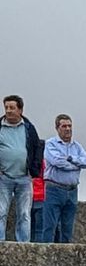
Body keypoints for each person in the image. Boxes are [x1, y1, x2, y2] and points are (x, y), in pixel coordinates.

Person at [0, 94, 45, 242]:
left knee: (24, 214)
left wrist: (34, 170)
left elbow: (37, 148)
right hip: (3, 177)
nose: (8, 111)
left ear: (20, 109)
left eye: (12, 108)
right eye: (6, 107)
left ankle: (23, 245)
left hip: (24, 178)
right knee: (1, 212)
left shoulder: (29, 128)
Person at [40, 114, 86, 243]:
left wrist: (72, 159)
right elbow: (58, 162)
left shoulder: (77, 146)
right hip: (54, 189)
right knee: (49, 226)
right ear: (57, 128)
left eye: (69, 126)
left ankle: (65, 258)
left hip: (72, 190)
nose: (67, 129)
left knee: (67, 227)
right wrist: (76, 165)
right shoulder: (51, 144)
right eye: (64, 126)